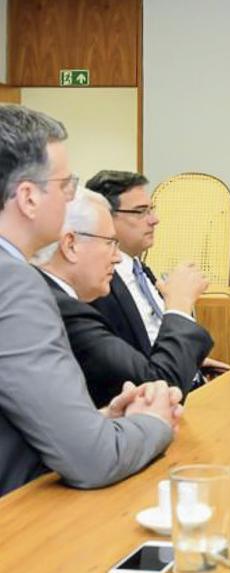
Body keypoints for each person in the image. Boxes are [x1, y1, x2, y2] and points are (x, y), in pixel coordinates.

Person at [0, 104, 182, 496]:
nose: (72, 199)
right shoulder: (14, 283)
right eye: (66, 186)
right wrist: (154, 422)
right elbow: (93, 460)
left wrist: (100, 423)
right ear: (28, 198)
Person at [36, 188, 213, 407]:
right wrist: (179, 306)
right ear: (70, 245)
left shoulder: (48, 294)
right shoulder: (61, 309)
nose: (118, 258)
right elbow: (158, 390)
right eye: (110, 242)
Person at [85, 170, 230, 380]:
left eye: (151, 210)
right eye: (140, 212)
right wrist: (179, 305)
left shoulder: (142, 271)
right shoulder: (98, 284)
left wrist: (191, 363)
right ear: (105, 217)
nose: (154, 220)